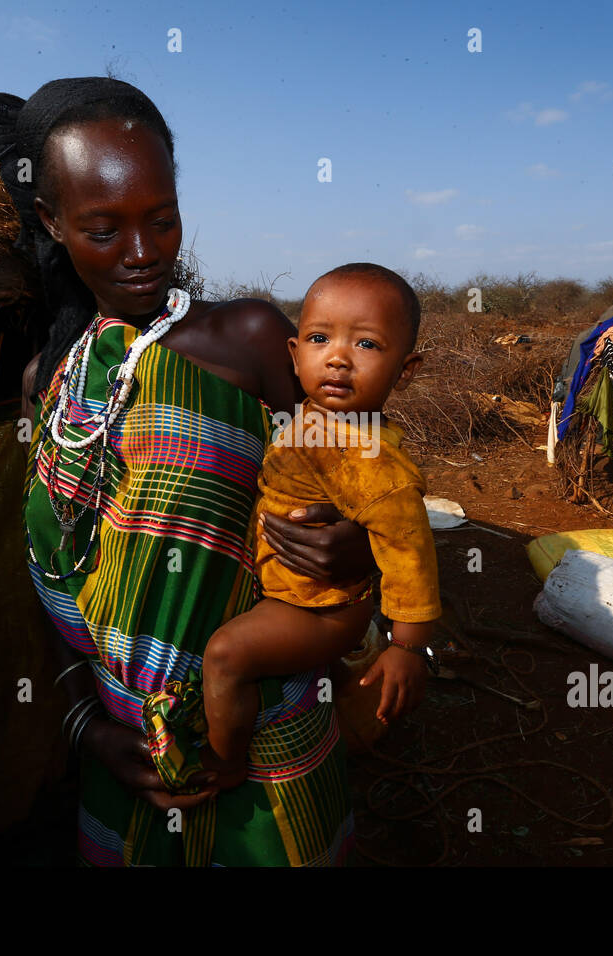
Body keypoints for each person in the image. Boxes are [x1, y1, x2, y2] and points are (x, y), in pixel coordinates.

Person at [0, 76, 374, 866]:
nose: (143, 253)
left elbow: (360, 490)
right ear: (50, 223)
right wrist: (87, 727)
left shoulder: (253, 341)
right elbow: (51, 574)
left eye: (162, 221)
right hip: (128, 753)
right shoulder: (51, 386)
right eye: (104, 228)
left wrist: (359, 550)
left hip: (269, 743)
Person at [201, 264, 442, 791]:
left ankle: (224, 766)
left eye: (368, 345)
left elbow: (412, 558)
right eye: (319, 338)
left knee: (225, 657)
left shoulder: (376, 462)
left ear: (406, 368)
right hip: (291, 587)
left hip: (319, 610)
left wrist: (408, 649)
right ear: (294, 354)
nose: (337, 357)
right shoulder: (311, 417)